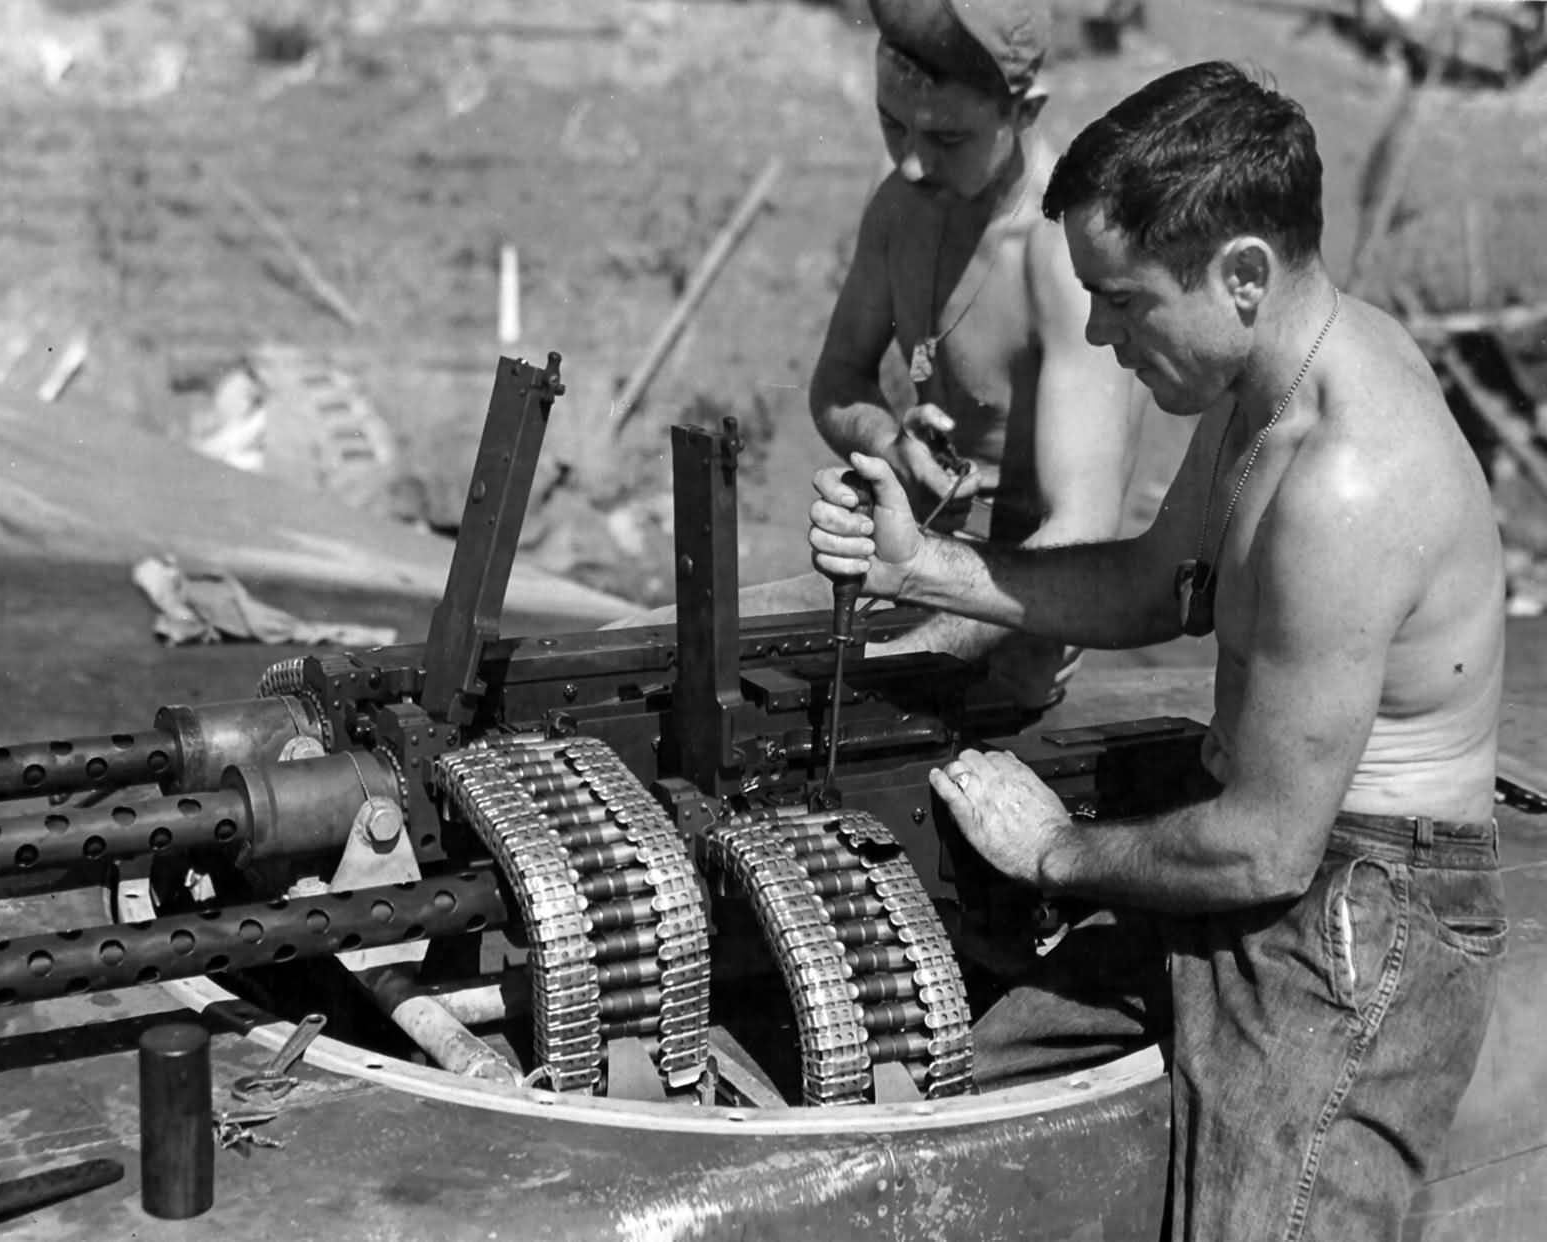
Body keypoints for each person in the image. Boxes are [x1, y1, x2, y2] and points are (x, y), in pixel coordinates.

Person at [808, 60, 1507, 1241]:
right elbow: (1151, 582)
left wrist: (1056, 853)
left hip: (1353, 915)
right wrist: (915, 566)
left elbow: (1265, 856)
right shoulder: (1263, 387)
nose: (1094, 331)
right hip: (1247, 842)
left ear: (1240, 275)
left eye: (1121, 299)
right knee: (936, 1106)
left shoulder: (1346, 478)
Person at [611, 0, 1147, 714]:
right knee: (625, 650)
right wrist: (891, 442)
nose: (914, 161)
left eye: (948, 136)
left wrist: (899, 660)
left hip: (1010, 634)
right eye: (892, 125)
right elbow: (837, 382)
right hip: (900, 576)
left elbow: (1082, 533)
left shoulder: (1063, 259)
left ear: (1023, 112)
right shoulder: (900, 208)